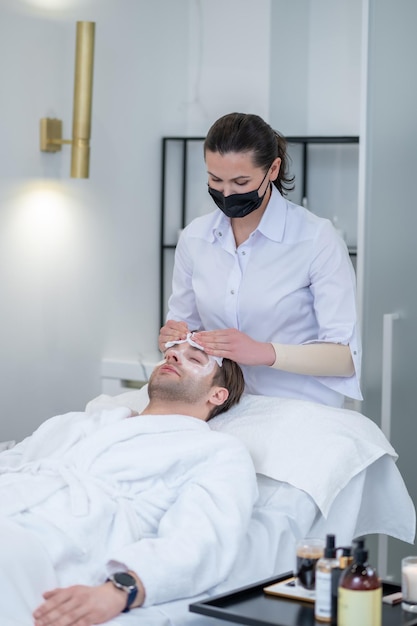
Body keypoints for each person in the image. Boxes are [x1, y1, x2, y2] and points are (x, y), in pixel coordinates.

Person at [0, 338, 256, 626]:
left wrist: (121, 589)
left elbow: (200, 541)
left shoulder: (218, 451)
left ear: (218, 395)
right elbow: (11, 462)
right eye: (171, 353)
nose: (173, 357)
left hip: (54, 540)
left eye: (194, 359)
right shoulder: (77, 423)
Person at [159, 112, 362, 408]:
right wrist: (171, 338)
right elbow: (181, 332)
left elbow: (344, 359)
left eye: (241, 181)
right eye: (215, 179)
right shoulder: (195, 238)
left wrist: (264, 352)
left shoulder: (316, 239)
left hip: (299, 410)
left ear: (273, 169)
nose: (226, 193)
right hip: (222, 408)